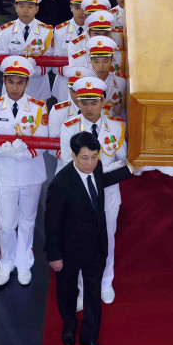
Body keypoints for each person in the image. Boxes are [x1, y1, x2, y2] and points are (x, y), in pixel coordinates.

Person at [45, 131, 135, 345]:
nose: (90, 163)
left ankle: (90, 338)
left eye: (94, 157)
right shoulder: (61, 183)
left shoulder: (97, 167)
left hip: (95, 248)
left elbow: (103, 181)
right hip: (69, 251)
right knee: (66, 292)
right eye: (85, 158)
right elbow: (52, 223)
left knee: (93, 294)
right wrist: (55, 256)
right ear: (73, 156)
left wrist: (132, 168)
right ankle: (68, 326)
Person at [0, 56, 48, 286]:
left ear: (27, 83)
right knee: (7, 223)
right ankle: (6, 262)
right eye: (11, 82)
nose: (15, 87)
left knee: (28, 221)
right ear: (4, 81)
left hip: (31, 174)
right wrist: (8, 151)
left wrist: (23, 152)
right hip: (6, 174)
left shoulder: (39, 108)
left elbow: (43, 142)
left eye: (20, 82)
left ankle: (24, 261)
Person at [58, 75, 126, 304]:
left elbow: (126, 161)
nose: (88, 108)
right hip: (81, 197)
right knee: (80, 243)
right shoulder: (69, 128)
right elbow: (71, 165)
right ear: (77, 102)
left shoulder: (117, 127)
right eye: (84, 102)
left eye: (94, 102)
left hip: (109, 196)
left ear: (103, 101)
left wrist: (102, 169)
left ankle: (106, 281)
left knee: (107, 240)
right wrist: (106, 169)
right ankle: (82, 287)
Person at [0, 0, 54, 102]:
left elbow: (49, 62)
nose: (25, 10)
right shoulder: (6, 31)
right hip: (12, 87)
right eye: (21, 6)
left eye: (30, 6)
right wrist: (22, 68)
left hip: (37, 87)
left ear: (37, 9)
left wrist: (31, 68)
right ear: (16, 7)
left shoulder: (46, 32)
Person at [52, 0, 95, 100]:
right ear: (71, 7)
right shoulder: (60, 31)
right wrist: (75, 72)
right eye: (77, 7)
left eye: (84, 8)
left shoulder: (97, 32)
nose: (81, 12)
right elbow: (55, 63)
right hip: (64, 86)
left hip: (89, 85)